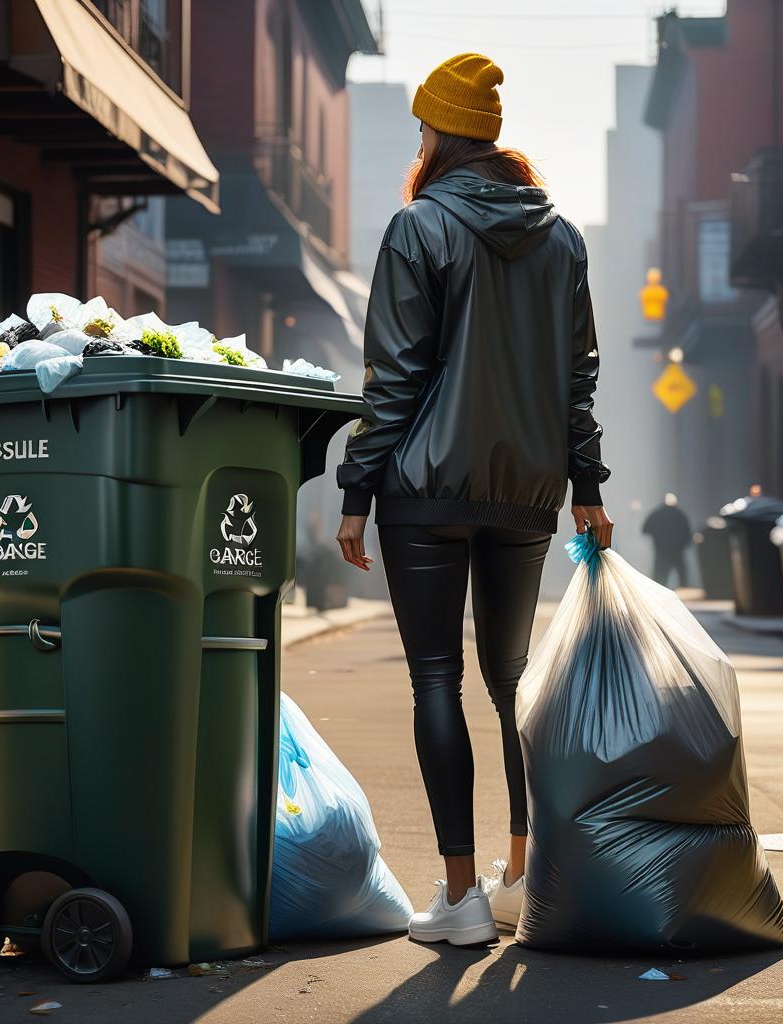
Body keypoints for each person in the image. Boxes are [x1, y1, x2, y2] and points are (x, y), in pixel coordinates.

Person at [335, 53, 612, 946]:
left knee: (435, 679)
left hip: (425, 489)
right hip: (525, 495)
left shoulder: (418, 227)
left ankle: (460, 901)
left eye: (422, 127)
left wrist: (355, 484)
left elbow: (396, 375)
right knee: (513, 684)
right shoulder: (562, 238)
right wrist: (587, 489)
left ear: (442, 135)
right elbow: (579, 381)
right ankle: (525, 875)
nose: (417, 139)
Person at [642, 492, 692, 588]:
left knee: (660, 578)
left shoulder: (657, 515)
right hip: (675, 551)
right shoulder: (680, 515)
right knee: (682, 576)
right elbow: (688, 535)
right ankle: (683, 590)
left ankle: (660, 593)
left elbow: (645, 529)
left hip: (663, 552)